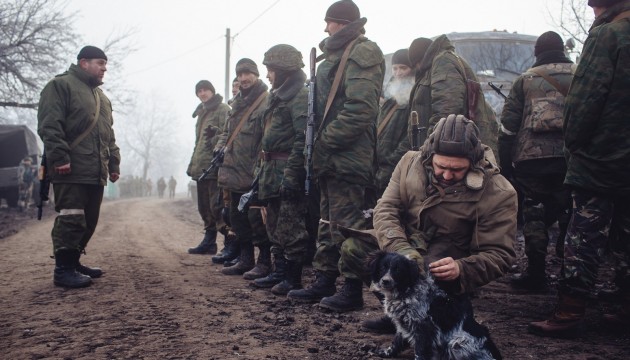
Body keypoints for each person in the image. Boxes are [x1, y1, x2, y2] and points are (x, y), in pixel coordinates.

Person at [359, 114, 517, 333]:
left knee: (427, 277)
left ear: (474, 163)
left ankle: (429, 319)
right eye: (440, 166)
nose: (447, 175)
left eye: (457, 170)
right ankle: (400, 314)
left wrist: (462, 269)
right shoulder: (409, 163)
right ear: (429, 155)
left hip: (447, 261)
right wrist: (400, 249)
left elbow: (499, 254)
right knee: (355, 249)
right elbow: (386, 209)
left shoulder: (499, 192)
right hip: (407, 244)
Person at [529, 0, 630, 338]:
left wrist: (574, 142)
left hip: (601, 156)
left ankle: (570, 311)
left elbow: (586, 98)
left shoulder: (608, 36)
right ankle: (623, 307)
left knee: (583, 235)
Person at [287, 0, 385, 312]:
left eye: (329, 22)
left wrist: (325, 142)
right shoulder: (338, 54)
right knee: (328, 222)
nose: (325, 28)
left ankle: (352, 290)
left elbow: (361, 110)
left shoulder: (362, 52)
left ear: (340, 23)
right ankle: (325, 281)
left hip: (347, 157)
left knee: (348, 225)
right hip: (330, 157)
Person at [37, 45, 121, 288]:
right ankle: (62, 270)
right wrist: (60, 157)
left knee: (90, 220)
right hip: (70, 167)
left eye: (105, 64)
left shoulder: (101, 98)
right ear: (84, 63)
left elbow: (108, 134)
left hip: (95, 170)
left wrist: (113, 163)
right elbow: (50, 125)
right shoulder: (60, 85)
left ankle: (73, 262)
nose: (104, 68)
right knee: (72, 218)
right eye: (100, 63)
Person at [498, 31, 574, 292]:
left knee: (535, 215)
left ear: (537, 52)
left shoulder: (525, 80)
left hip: (532, 161)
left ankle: (537, 274)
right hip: (572, 159)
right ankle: (569, 275)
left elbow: (508, 128)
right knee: (570, 215)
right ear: (563, 49)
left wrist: (506, 165)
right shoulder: (581, 74)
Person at [250, 44, 311, 295]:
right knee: (274, 224)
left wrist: (292, 174)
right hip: (271, 170)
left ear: (284, 71)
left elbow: (302, 138)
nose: (267, 76)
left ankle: (292, 278)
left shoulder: (299, 96)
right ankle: (278, 272)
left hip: (287, 169)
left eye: (271, 70)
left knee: (291, 226)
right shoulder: (278, 95)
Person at [215, 58, 271, 279]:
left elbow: (268, 137)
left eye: (248, 73)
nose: (244, 78)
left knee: (257, 219)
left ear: (256, 75)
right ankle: (245, 259)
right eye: (240, 74)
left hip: (254, 170)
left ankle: (265, 262)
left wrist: (261, 167)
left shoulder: (266, 101)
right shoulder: (236, 103)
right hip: (234, 170)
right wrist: (219, 148)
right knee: (237, 218)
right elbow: (227, 132)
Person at [407, 35, 499, 156]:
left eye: (416, 65)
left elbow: (446, 110)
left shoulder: (442, 62)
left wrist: (429, 148)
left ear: (419, 60)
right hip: (456, 148)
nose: (418, 69)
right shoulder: (444, 60)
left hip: (453, 152)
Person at [186, 80, 230, 255]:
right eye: (199, 91)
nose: (202, 93)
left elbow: (227, 135)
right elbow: (199, 143)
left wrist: (216, 137)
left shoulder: (222, 109)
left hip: (214, 166)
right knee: (204, 207)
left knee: (217, 206)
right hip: (201, 167)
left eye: (205, 90)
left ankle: (230, 243)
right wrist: (192, 164)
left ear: (212, 91)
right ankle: (209, 241)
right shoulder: (202, 112)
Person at [375, 48, 414, 197]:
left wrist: (391, 160)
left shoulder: (415, 97)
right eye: (395, 68)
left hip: (396, 165)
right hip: (380, 164)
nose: (398, 72)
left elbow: (410, 137)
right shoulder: (390, 95)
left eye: (403, 68)